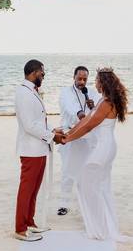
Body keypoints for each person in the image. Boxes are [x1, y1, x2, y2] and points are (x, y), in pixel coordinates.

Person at [61, 68, 126, 241]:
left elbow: (89, 126)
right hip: (104, 147)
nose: (94, 83)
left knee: (85, 183)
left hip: (103, 149)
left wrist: (68, 139)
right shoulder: (102, 101)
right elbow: (85, 121)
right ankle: (104, 226)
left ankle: (100, 228)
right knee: (99, 187)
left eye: (96, 80)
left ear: (103, 83)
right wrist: (67, 133)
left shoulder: (106, 103)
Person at [13, 59, 59, 241]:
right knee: (26, 189)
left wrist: (52, 130)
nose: (44, 75)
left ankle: (30, 222)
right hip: (30, 149)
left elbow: (39, 121)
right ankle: (20, 229)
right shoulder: (23, 93)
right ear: (33, 72)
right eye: (42, 72)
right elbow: (29, 125)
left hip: (40, 148)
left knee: (34, 190)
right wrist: (51, 136)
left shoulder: (32, 91)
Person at [56, 66, 99, 216]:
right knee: (68, 170)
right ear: (73, 77)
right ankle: (64, 203)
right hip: (71, 135)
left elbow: (99, 114)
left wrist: (93, 108)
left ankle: (85, 202)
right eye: (79, 78)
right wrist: (82, 114)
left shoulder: (92, 93)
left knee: (86, 170)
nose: (82, 82)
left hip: (88, 137)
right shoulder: (66, 93)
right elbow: (70, 108)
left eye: (84, 79)